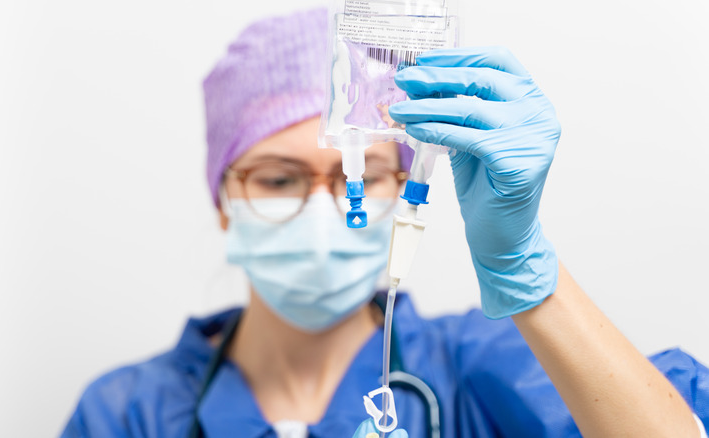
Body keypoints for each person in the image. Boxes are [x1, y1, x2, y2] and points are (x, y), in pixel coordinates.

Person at [61, 8, 709, 438]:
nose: (323, 207)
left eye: (360, 175)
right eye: (279, 178)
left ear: (405, 186)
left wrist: (525, 270)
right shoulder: (128, 413)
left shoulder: (481, 372)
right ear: (222, 200)